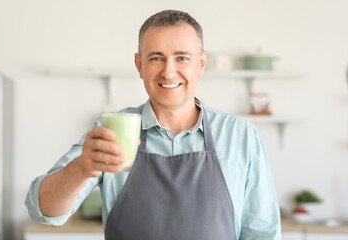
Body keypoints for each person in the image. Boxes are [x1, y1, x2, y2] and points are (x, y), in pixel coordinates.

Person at [25, 9, 281, 239]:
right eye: (156, 58)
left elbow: (263, 234)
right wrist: (80, 168)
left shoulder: (240, 135)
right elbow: (43, 211)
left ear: (201, 64)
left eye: (182, 58)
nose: (168, 72)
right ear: (139, 65)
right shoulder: (112, 131)